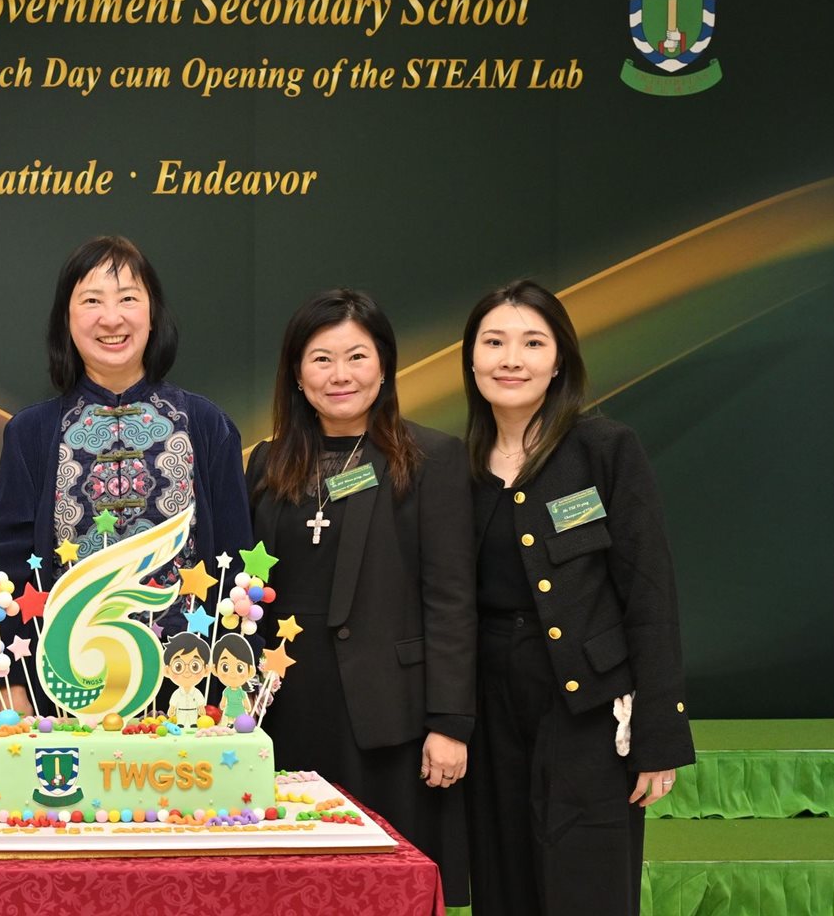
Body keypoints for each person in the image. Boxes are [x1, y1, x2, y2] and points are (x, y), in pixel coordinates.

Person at [461, 280, 693, 916]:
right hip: (488, 707)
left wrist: (660, 734)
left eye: (533, 343)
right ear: (472, 359)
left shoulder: (605, 449)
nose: (512, 360)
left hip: (589, 703)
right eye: (494, 343)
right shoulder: (456, 465)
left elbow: (650, 593)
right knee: (503, 880)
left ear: (559, 359)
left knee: (588, 881)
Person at [246, 288, 475, 906]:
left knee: (383, 889)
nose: (339, 375)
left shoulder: (431, 459)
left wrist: (449, 723)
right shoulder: (268, 463)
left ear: (385, 366)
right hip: (285, 712)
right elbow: (245, 594)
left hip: (389, 719)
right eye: (321, 359)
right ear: (297, 374)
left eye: (356, 356)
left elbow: (452, 599)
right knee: (293, 889)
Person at [0, 235, 252, 713]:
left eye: (128, 298)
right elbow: (11, 564)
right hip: (61, 687)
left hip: (189, 688)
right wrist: (14, 681)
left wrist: (236, 684)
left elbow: (237, 562)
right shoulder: (31, 433)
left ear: (153, 315)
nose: (111, 318)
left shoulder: (207, 425)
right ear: (66, 320)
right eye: (92, 301)